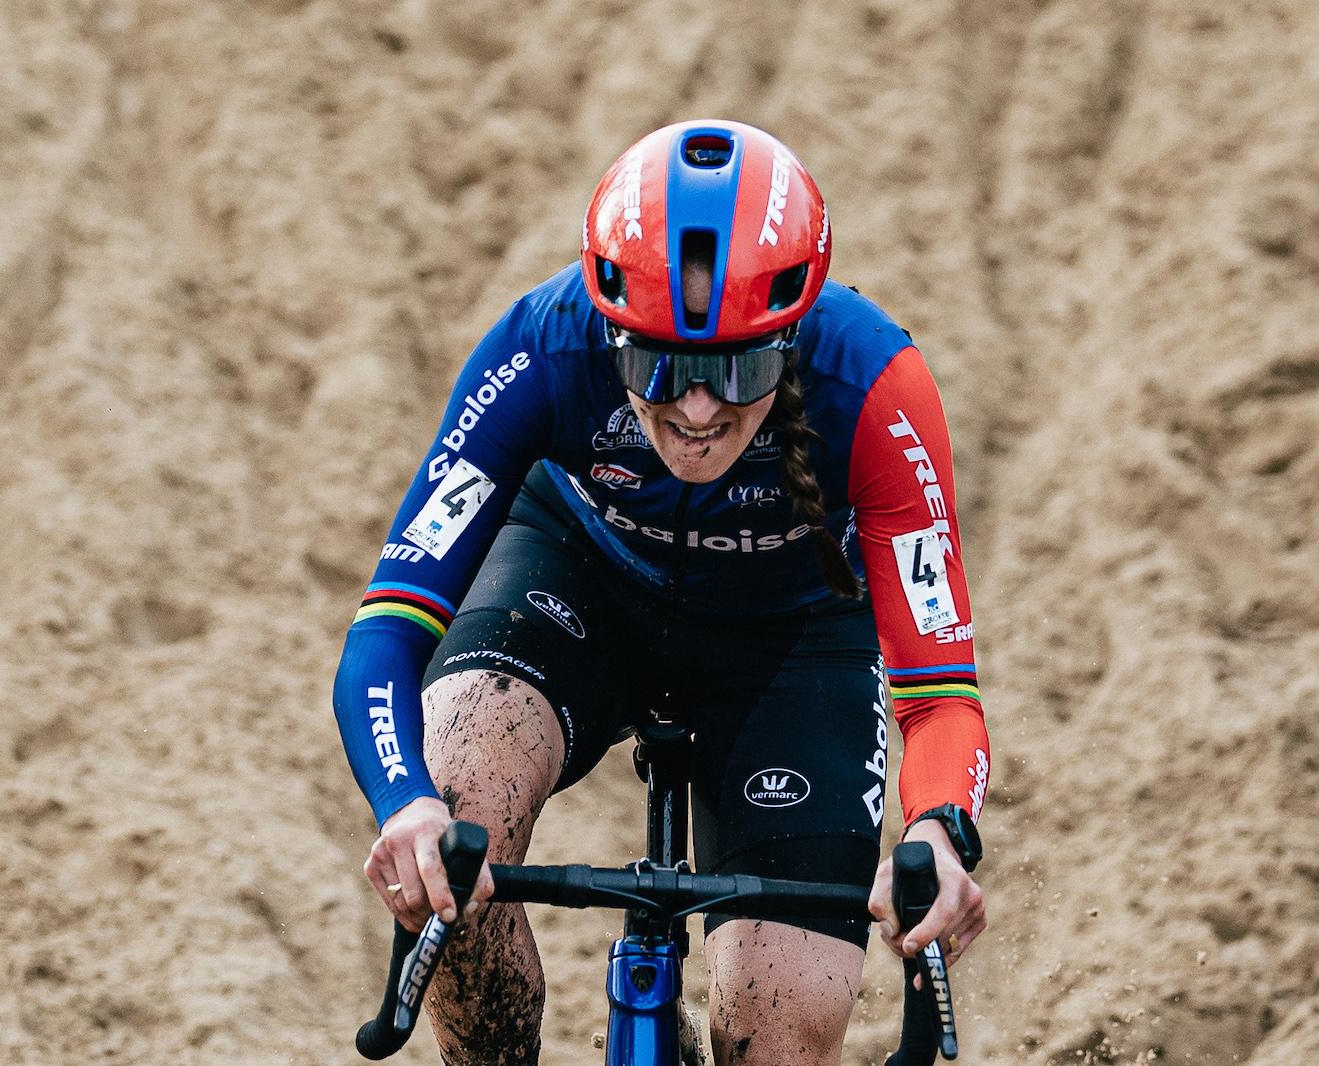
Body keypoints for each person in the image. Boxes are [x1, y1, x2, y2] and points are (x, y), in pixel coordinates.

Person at [332, 119, 991, 1066]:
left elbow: (939, 697)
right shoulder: (538, 349)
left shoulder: (877, 388)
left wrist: (937, 832)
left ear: (792, 334)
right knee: (460, 807)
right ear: (608, 330)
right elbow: (387, 631)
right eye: (661, 364)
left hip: (794, 638)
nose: (695, 409)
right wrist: (407, 807)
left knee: (783, 1033)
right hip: (579, 583)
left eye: (740, 367)